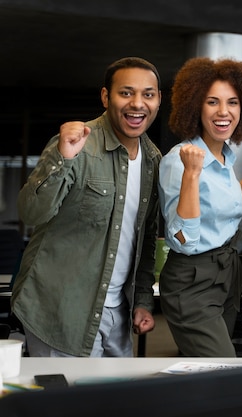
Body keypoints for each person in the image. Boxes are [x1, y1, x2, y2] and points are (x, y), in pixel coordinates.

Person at [11, 57, 162, 357]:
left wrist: (143, 299)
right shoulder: (77, 144)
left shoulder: (154, 159)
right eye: (126, 92)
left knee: (113, 403)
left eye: (148, 94)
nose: (137, 103)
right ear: (106, 96)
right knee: (63, 404)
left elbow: (146, 239)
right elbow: (31, 213)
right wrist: (62, 158)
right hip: (60, 311)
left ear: (158, 100)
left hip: (118, 315)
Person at [158, 57, 242, 357]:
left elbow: (223, 204)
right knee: (220, 365)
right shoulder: (180, 160)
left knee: (205, 371)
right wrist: (191, 175)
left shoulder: (224, 158)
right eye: (212, 102)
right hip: (193, 280)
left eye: (233, 102)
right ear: (196, 105)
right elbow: (183, 238)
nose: (224, 112)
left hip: (227, 274)